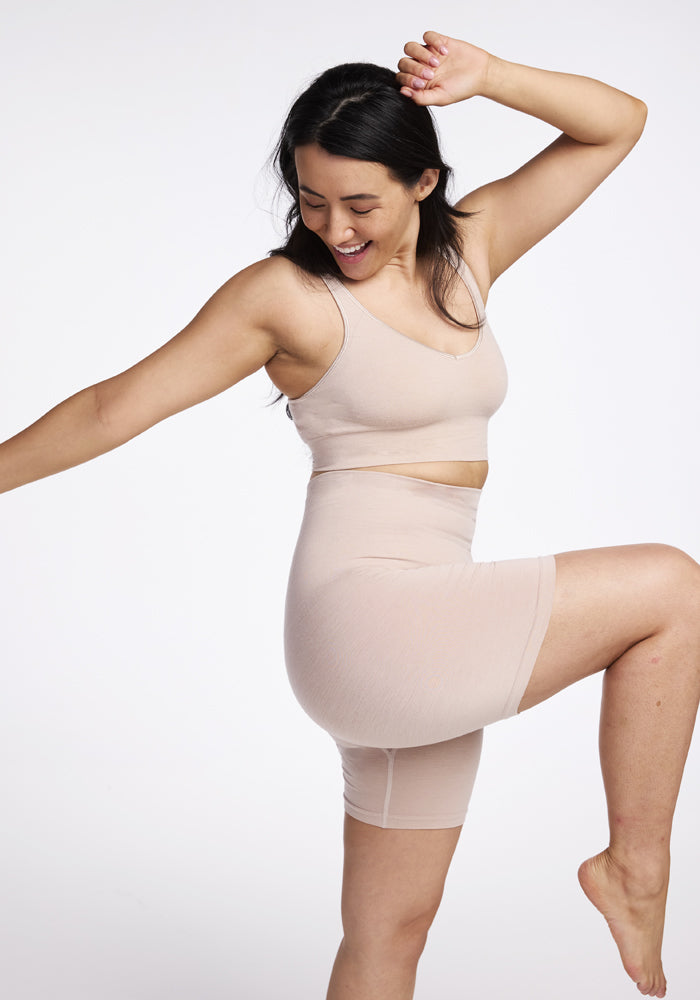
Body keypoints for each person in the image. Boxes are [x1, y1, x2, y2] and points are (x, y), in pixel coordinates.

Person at [1, 28, 698, 1000]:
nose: (335, 228)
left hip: (430, 617)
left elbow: (616, 124)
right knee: (673, 588)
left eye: (360, 202)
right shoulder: (284, 297)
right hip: (370, 619)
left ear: (423, 182)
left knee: (388, 935)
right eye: (312, 201)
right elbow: (113, 408)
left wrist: (490, 77)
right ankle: (635, 869)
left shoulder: (472, 247)